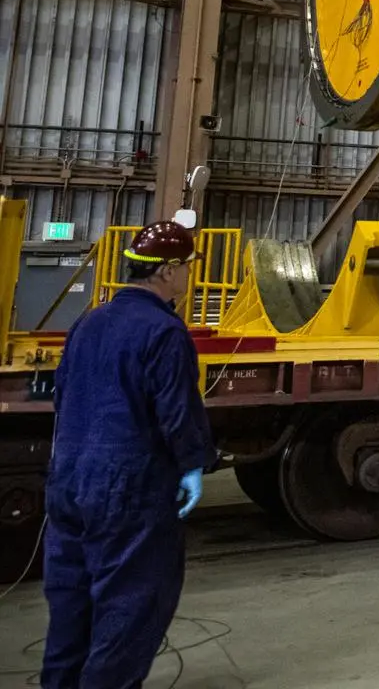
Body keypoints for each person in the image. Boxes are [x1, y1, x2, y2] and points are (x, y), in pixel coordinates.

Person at [42, 218, 215, 689]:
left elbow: (63, 393)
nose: (188, 276)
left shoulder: (89, 321)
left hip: (68, 483)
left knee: (70, 609)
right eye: (186, 268)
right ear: (166, 272)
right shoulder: (164, 330)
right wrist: (192, 465)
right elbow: (176, 411)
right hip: (126, 490)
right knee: (128, 608)